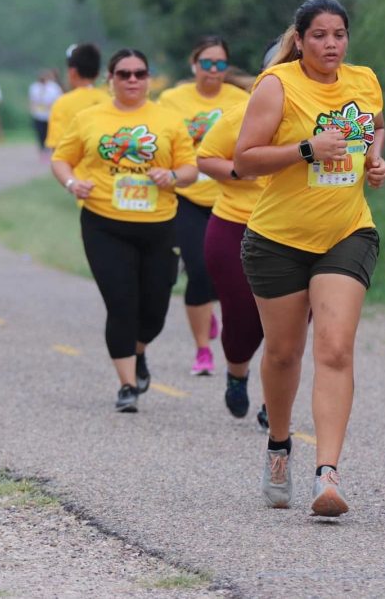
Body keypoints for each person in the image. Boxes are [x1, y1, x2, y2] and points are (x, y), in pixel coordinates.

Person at [234, 0, 385, 517]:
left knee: (336, 348)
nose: (331, 45)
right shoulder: (277, 85)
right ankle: (280, 445)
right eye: (320, 35)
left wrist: (374, 157)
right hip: (277, 239)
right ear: (299, 39)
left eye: (339, 35)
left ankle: (328, 475)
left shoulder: (364, 79)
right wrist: (306, 149)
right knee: (282, 353)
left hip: (347, 232)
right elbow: (245, 161)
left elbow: (376, 124)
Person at [51, 48, 198, 413]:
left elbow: (190, 169)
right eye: (124, 74)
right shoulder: (89, 117)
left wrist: (173, 176)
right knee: (121, 303)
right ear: (110, 79)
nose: (132, 80)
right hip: (104, 223)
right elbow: (61, 159)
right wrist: (72, 184)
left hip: (159, 226)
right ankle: (127, 385)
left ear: (148, 78)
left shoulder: (168, 119)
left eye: (139, 73)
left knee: (154, 311)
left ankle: (138, 351)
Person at [196, 40, 280, 420]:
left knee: (286, 326)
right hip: (235, 225)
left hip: (294, 231)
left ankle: (273, 402)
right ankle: (236, 372)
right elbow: (206, 157)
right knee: (243, 315)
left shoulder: (322, 116)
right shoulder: (241, 113)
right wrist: (240, 170)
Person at [159, 36, 251, 376]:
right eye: (207, 63)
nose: (213, 71)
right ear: (194, 65)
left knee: (230, 274)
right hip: (186, 197)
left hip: (230, 198)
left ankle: (218, 320)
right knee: (198, 270)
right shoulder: (172, 99)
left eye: (220, 64)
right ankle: (202, 350)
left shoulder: (241, 99)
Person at [44, 44, 108, 151]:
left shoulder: (61, 103)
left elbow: (58, 149)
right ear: (97, 74)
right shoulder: (109, 100)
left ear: (72, 72)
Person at [28, 69, 63, 156]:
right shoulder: (34, 87)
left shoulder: (54, 87)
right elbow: (32, 100)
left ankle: (49, 149)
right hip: (38, 114)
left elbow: (59, 100)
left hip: (50, 115)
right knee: (40, 132)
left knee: (49, 133)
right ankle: (42, 150)